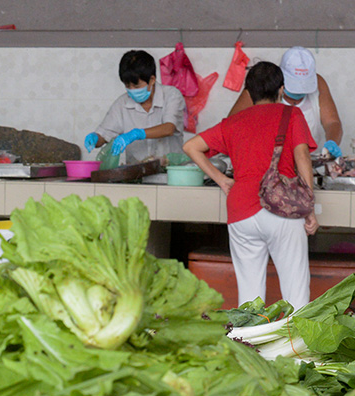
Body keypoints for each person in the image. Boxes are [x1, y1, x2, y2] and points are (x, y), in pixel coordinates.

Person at [183, 62, 318, 309]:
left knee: (250, 296)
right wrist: (308, 206)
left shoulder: (233, 122)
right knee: (295, 291)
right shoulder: (291, 115)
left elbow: (190, 146)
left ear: (249, 92)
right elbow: (302, 157)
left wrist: (222, 179)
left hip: (241, 211)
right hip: (282, 209)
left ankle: (248, 344)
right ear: (281, 89)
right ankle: (295, 346)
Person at [228, 47, 343, 159]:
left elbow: (332, 122)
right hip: (267, 162)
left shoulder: (319, 83)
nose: (299, 93)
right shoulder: (262, 86)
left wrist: (331, 143)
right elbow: (230, 126)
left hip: (309, 159)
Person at [84, 50, 186, 163]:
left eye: (136, 86)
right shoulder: (122, 103)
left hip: (172, 173)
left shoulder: (171, 95)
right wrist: (95, 138)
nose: (132, 90)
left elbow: (169, 128)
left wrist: (136, 134)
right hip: (137, 174)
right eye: (127, 86)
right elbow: (104, 135)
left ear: (152, 80)